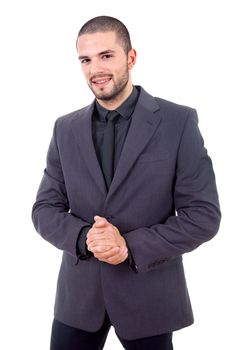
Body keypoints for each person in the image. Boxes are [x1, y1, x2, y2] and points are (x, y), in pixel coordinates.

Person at [32, 15, 221, 350]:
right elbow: (45, 208)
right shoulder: (65, 128)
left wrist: (128, 247)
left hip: (148, 296)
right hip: (78, 301)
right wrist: (85, 237)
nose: (95, 70)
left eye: (106, 56)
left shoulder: (178, 121)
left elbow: (203, 216)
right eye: (85, 60)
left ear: (130, 57)